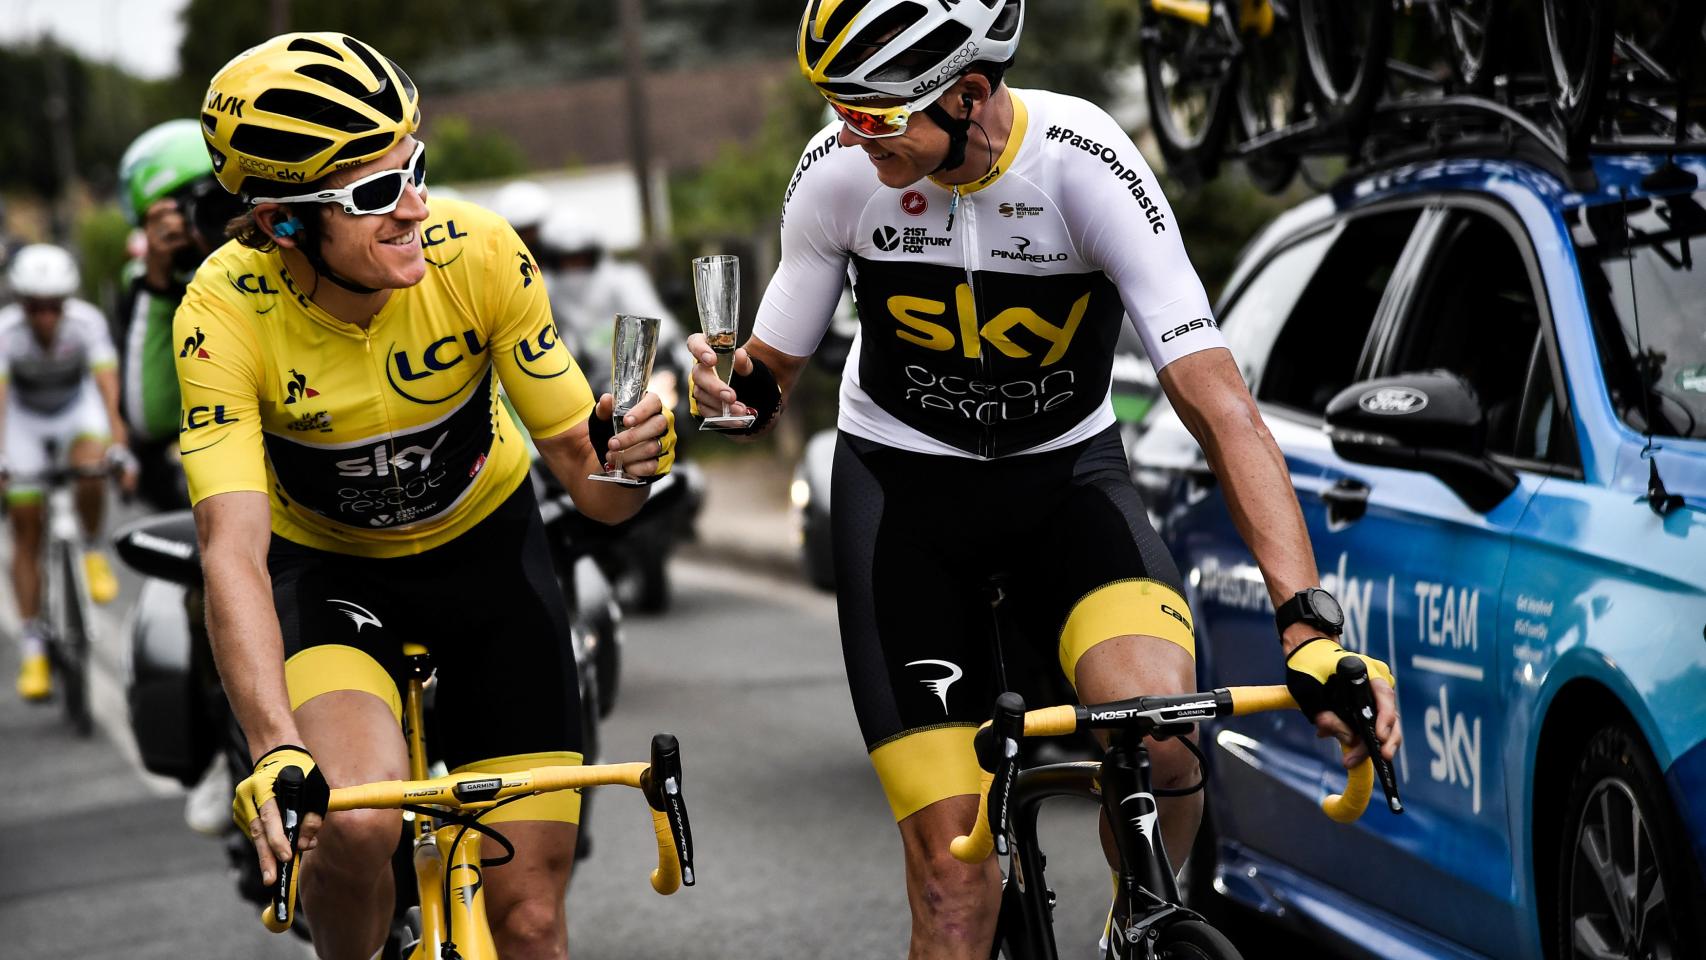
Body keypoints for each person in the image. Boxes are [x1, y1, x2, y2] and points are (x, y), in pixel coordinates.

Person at [687, 2, 1402, 956]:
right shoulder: (837, 177)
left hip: (1065, 486)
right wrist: (725, 395)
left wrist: (1307, 627)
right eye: (839, 111)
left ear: (969, 95)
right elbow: (762, 381)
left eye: (875, 117)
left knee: (1162, 737)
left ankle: (1139, 924)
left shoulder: (1084, 166)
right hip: (905, 505)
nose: (853, 139)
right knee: (953, 883)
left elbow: (1220, 409)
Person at [183, 32, 676, 960]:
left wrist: (629, 462)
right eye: (375, 194)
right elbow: (232, 552)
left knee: (528, 921)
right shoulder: (222, 309)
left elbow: (595, 487)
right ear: (286, 223)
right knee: (359, 826)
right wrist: (272, 747)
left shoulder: (480, 254)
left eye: (415, 167)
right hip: (330, 578)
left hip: (488, 560)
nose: (414, 206)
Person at [1, 244, 136, 700]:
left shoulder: (86, 322)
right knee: (25, 531)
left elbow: (106, 386)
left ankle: (93, 549)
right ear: (21, 303)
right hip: (23, 419)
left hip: (74, 412)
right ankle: (34, 649)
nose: (44, 317)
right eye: (35, 307)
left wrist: (119, 443)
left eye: (53, 305)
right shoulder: (5, 332)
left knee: (91, 467)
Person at [114, 118, 247, 511]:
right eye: (188, 208)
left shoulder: (277, 238)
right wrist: (158, 283)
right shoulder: (151, 282)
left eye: (221, 197)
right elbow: (150, 417)